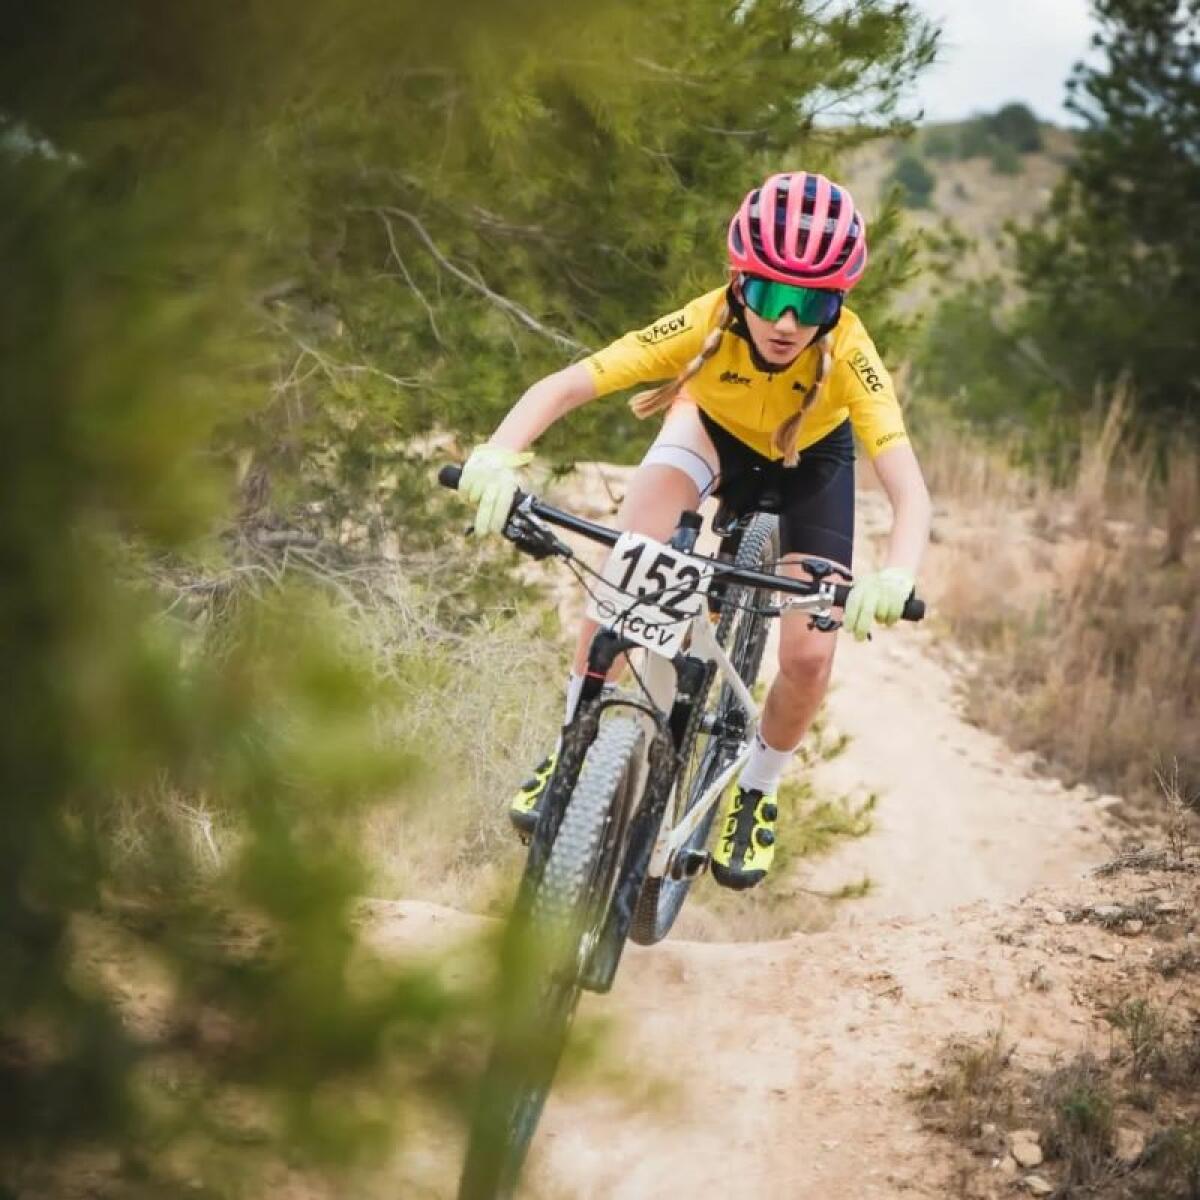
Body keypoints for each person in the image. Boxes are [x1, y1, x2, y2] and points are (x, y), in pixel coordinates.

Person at [457, 170, 931, 890]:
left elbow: (907, 485)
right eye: (772, 296)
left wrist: (897, 571)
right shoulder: (705, 321)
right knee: (624, 577)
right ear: (741, 285)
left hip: (812, 464)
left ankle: (757, 790)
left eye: (813, 305)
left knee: (808, 655)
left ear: (840, 305)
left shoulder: (854, 358)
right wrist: (497, 452)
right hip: (710, 434)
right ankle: (573, 744)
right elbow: (571, 382)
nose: (787, 324)